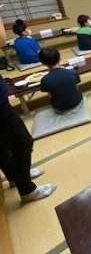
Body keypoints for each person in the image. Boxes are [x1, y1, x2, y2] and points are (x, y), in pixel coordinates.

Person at [0, 13, 56, 202]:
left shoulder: (16, 42)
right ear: (24, 31)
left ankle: (15, 176)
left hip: (23, 65)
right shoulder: (30, 40)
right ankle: (26, 188)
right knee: (23, 141)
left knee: (3, 145)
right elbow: (2, 39)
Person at [39, 48, 82, 112]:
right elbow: (76, 88)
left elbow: (50, 96)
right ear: (60, 59)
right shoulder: (73, 72)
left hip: (60, 108)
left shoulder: (45, 79)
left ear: (42, 63)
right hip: (77, 102)